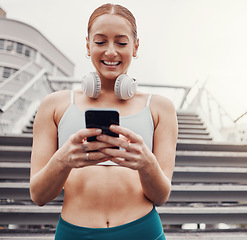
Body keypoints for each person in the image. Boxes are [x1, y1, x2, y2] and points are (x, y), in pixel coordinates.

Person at [30, 3, 177, 240]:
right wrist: (63, 160)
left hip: (143, 231)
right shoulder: (54, 105)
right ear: (88, 45)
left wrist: (146, 163)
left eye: (121, 42)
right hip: (75, 233)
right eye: (100, 42)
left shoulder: (160, 108)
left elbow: (160, 196)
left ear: (135, 46)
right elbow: (38, 195)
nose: (110, 52)